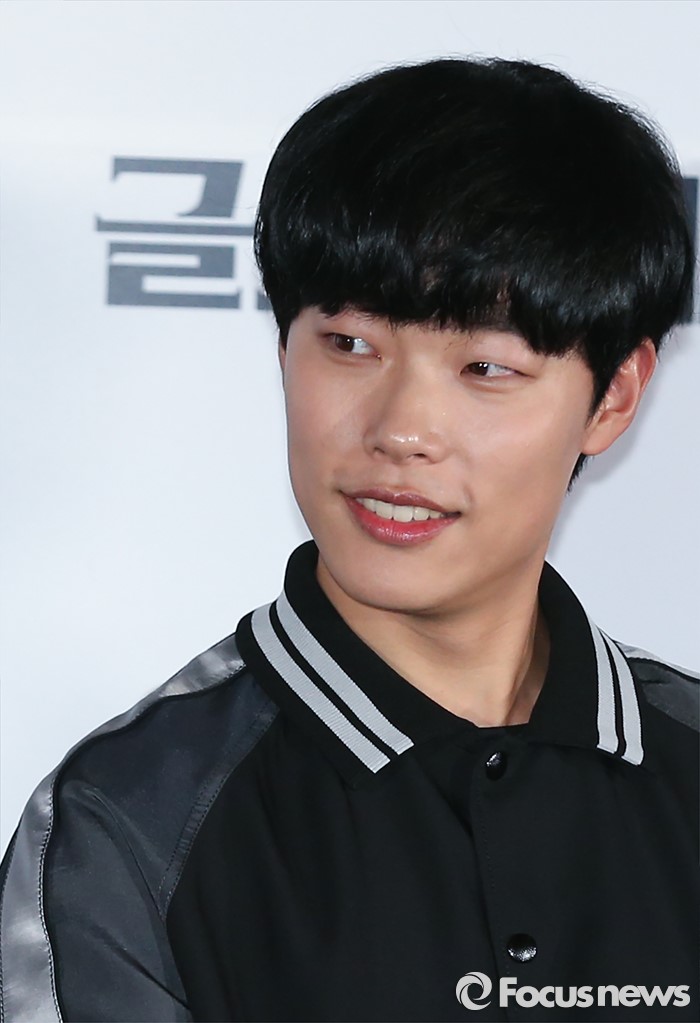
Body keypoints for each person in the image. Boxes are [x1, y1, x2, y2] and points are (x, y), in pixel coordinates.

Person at [0, 57, 697, 1023]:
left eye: (486, 367)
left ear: (613, 397)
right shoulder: (126, 818)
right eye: (351, 345)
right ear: (284, 347)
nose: (401, 431)